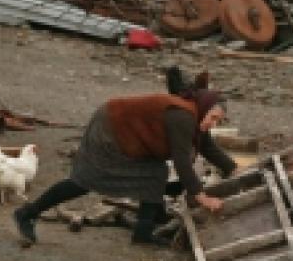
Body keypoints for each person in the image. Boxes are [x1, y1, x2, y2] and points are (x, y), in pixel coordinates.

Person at [13, 88, 237, 245]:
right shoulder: (183, 116)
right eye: (213, 117)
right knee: (84, 181)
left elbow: (210, 149)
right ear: (206, 107)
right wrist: (201, 197)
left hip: (127, 135)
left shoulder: (196, 118)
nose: (212, 124)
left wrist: (235, 170)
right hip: (110, 129)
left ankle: (143, 233)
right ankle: (27, 213)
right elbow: (181, 160)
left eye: (218, 121)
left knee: (154, 172)